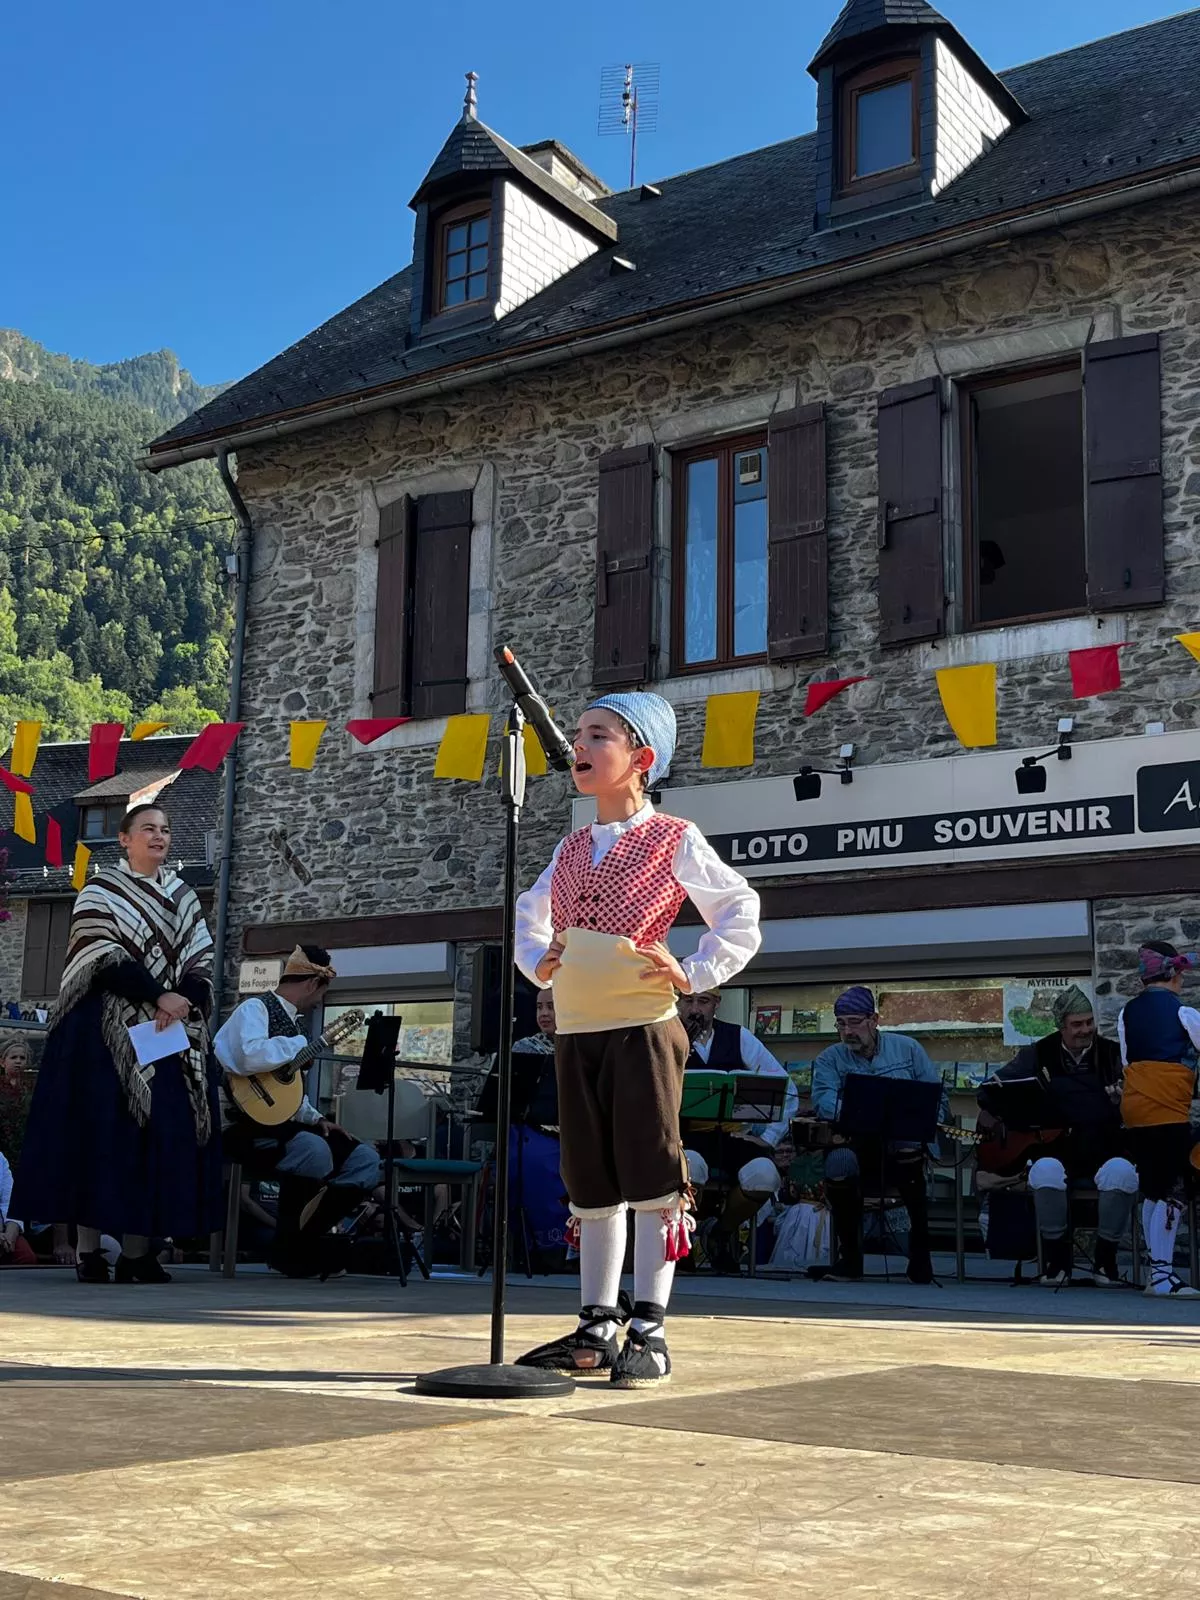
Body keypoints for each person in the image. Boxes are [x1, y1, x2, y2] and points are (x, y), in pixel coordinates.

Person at [513, 691, 761, 1386]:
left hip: (643, 1029)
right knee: (589, 1179)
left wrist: (694, 973)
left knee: (652, 1175)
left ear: (641, 758)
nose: (578, 746)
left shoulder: (672, 837)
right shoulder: (567, 848)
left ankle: (649, 1328)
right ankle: (597, 1323)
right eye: (578, 735)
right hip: (579, 1029)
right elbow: (528, 918)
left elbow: (740, 909)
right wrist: (539, 964)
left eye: (597, 735)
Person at [11, 804, 222, 1284]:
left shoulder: (185, 895)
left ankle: (137, 1252)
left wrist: (183, 999)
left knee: (161, 1136)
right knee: (102, 1135)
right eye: (148, 828)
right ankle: (89, 1252)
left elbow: (201, 956)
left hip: (170, 1035)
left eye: (166, 829)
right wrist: (157, 993)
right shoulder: (101, 888)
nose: (159, 836)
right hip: (106, 1030)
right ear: (124, 839)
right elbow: (98, 949)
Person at [214, 945, 382, 1276]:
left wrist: (315, 1118)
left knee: (365, 1160)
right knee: (312, 1150)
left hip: (281, 1123)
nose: (318, 1001)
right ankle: (292, 1252)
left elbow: (287, 1092)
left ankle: (303, 1238)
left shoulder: (297, 1028)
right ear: (310, 985)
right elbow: (248, 1057)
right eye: (320, 993)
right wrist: (299, 1045)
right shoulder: (254, 1010)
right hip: (240, 1125)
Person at [977, 985, 1134, 1287]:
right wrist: (988, 1109)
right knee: (1044, 1171)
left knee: (1124, 1173)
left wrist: (1122, 1102)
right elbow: (992, 1087)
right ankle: (1056, 1260)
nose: (1085, 1029)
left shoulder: (1114, 1055)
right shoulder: (1038, 1053)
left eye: (1089, 1022)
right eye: (1077, 1024)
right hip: (1055, 1150)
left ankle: (1106, 1260)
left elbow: (1136, 1106)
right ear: (1060, 1025)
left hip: (1104, 1147)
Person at [809, 985, 947, 1284]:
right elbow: (823, 1101)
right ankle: (851, 1259)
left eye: (855, 1022)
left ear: (874, 1019)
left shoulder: (909, 1049)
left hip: (902, 1145)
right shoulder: (829, 1059)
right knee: (839, 1162)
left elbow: (937, 1099)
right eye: (841, 1023)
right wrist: (861, 1114)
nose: (847, 1031)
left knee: (908, 1147)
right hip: (856, 1144)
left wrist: (920, 1121)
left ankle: (921, 1258)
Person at [678, 987, 798, 1272]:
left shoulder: (739, 1036)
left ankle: (722, 1232)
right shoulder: (666, 1037)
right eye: (688, 1000)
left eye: (703, 1001)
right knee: (689, 1168)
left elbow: (786, 1089)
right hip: (687, 1138)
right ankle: (687, 1238)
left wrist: (767, 1138)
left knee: (765, 1175)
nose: (695, 1008)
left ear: (716, 1004)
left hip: (734, 1137)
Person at [1118, 941, 1200, 1298]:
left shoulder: (1126, 1014)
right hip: (1168, 1108)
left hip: (1136, 1109)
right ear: (1175, 973)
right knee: (1174, 1190)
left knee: (1152, 1189)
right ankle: (1164, 1278)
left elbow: (1127, 1062)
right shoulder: (1185, 1014)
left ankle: (1157, 1273)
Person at [0, 1149, 37, 1266]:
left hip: (3, 1231)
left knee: (26, 1257)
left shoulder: (0, 1159)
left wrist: (9, 1238)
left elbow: (10, 1203)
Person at [0, 1036, 33, 1163]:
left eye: (22, 1058)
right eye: (13, 1058)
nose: (18, 1061)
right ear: (3, 1062)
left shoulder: (32, 1088)